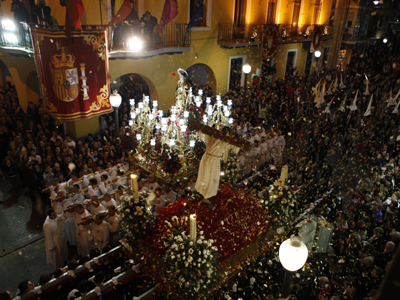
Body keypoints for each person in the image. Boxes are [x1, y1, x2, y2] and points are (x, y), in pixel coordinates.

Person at [195, 132, 240, 199]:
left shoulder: (212, 135)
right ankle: (208, 191)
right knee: (211, 175)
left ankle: (204, 189)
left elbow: (204, 136)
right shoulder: (224, 142)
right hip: (213, 160)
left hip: (207, 157)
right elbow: (233, 146)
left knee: (205, 174)